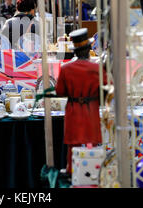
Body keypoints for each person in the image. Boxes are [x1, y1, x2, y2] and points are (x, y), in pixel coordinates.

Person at [55, 28, 107, 175]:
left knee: (73, 142)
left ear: (75, 51)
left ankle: (72, 170)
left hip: (73, 108)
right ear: (89, 49)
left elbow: (59, 91)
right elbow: (107, 87)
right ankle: (93, 170)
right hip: (91, 107)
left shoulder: (66, 68)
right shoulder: (96, 68)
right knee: (92, 141)